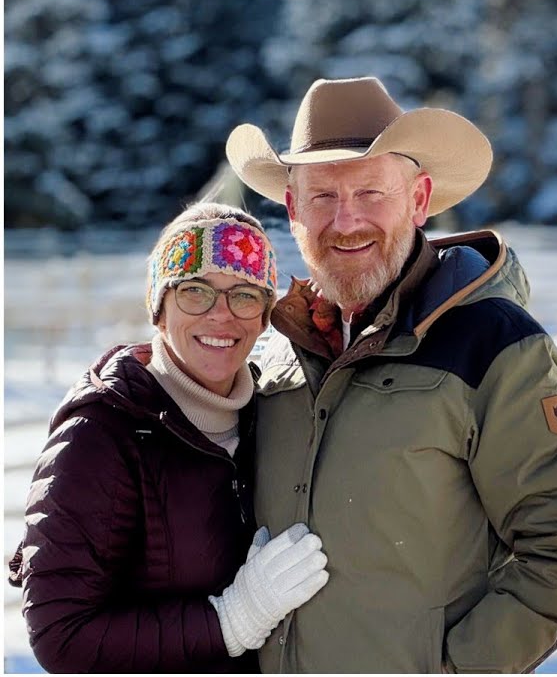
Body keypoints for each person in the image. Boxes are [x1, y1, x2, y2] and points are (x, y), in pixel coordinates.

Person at [224, 76, 557, 673]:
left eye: (370, 192)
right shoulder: (277, 352)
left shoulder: (491, 343)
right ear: (292, 208)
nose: (346, 220)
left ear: (418, 198)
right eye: (323, 196)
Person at [8, 203, 330, 672]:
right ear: (158, 310)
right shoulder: (100, 434)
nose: (221, 315)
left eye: (244, 294)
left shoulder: (272, 416)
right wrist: (231, 622)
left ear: (264, 317)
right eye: (195, 291)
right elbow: (60, 635)